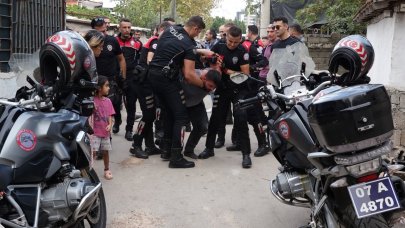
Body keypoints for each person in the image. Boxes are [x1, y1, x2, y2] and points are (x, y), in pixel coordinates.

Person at [148, 16, 213, 168]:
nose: (197, 36)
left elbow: (174, 49)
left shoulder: (172, 29)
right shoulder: (188, 45)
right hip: (166, 80)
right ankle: (176, 157)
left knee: (170, 113)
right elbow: (189, 75)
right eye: (198, 32)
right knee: (181, 116)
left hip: (152, 75)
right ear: (196, 28)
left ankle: (166, 150)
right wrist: (204, 87)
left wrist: (201, 51)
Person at [198, 26, 253, 169]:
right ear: (226, 37)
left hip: (239, 89)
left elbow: (245, 74)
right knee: (215, 119)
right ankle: (209, 148)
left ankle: (246, 154)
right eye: (230, 41)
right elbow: (208, 60)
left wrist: (226, 70)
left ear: (240, 39)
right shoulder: (219, 45)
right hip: (222, 89)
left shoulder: (243, 51)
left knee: (241, 118)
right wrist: (210, 61)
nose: (232, 44)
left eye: (235, 42)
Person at [128, 21, 171, 159]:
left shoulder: (160, 42)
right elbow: (150, 61)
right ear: (161, 30)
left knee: (151, 115)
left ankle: (150, 145)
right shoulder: (156, 42)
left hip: (149, 83)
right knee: (148, 116)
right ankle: (136, 144)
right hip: (144, 83)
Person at [228, 24, 269, 157]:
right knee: (239, 115)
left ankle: (264, 144)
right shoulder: (224, 47)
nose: (231, 43)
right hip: (237, 87)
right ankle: (239, 142)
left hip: (250, 87)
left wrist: (250, 68)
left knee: (255, 117)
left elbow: (263, 61)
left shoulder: (248, 46)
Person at [91, 17, 127, 135]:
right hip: (95, 80)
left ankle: (117, 120)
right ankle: (106, 136)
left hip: (111, 80)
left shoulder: (112, 41)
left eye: (104, 30)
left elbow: (121, 59)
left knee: (113, 104)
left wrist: (123, 76)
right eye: (99, 32)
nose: (103, 34)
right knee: (100, 108)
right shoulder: (89, 42)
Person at [182, 69, 221, 159]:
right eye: (210, 86)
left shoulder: (211, 80)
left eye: (213, 88)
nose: (211, 90)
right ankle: (168, 148)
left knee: (202, 127)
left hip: (196, 103)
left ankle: (189, 150)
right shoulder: (191, 75)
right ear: (203, 78)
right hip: (180, 103)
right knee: (178, 127)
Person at [115, 18, 143, 141]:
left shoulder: (137, 43)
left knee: (131, 105)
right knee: (115, 103)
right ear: (119, 28)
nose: (127, 30)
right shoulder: (114, 41)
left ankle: (129, 130)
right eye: (124, 27)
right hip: (116, 77)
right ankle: (117, 121)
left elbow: (142, 60)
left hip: (132, 78)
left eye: (129, 27)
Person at [90, 76, 116, 180]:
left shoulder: (108, 101)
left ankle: (106, 169)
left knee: (105, 151)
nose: (109, 88)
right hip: (95, 132)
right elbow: (89, 115)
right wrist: (92, 109)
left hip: (105, 133)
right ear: (99, 88)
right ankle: (91, 171)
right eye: (106, 86)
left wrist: (110, 125)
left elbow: (110, 114)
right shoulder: (92, 101)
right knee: (94, 153)